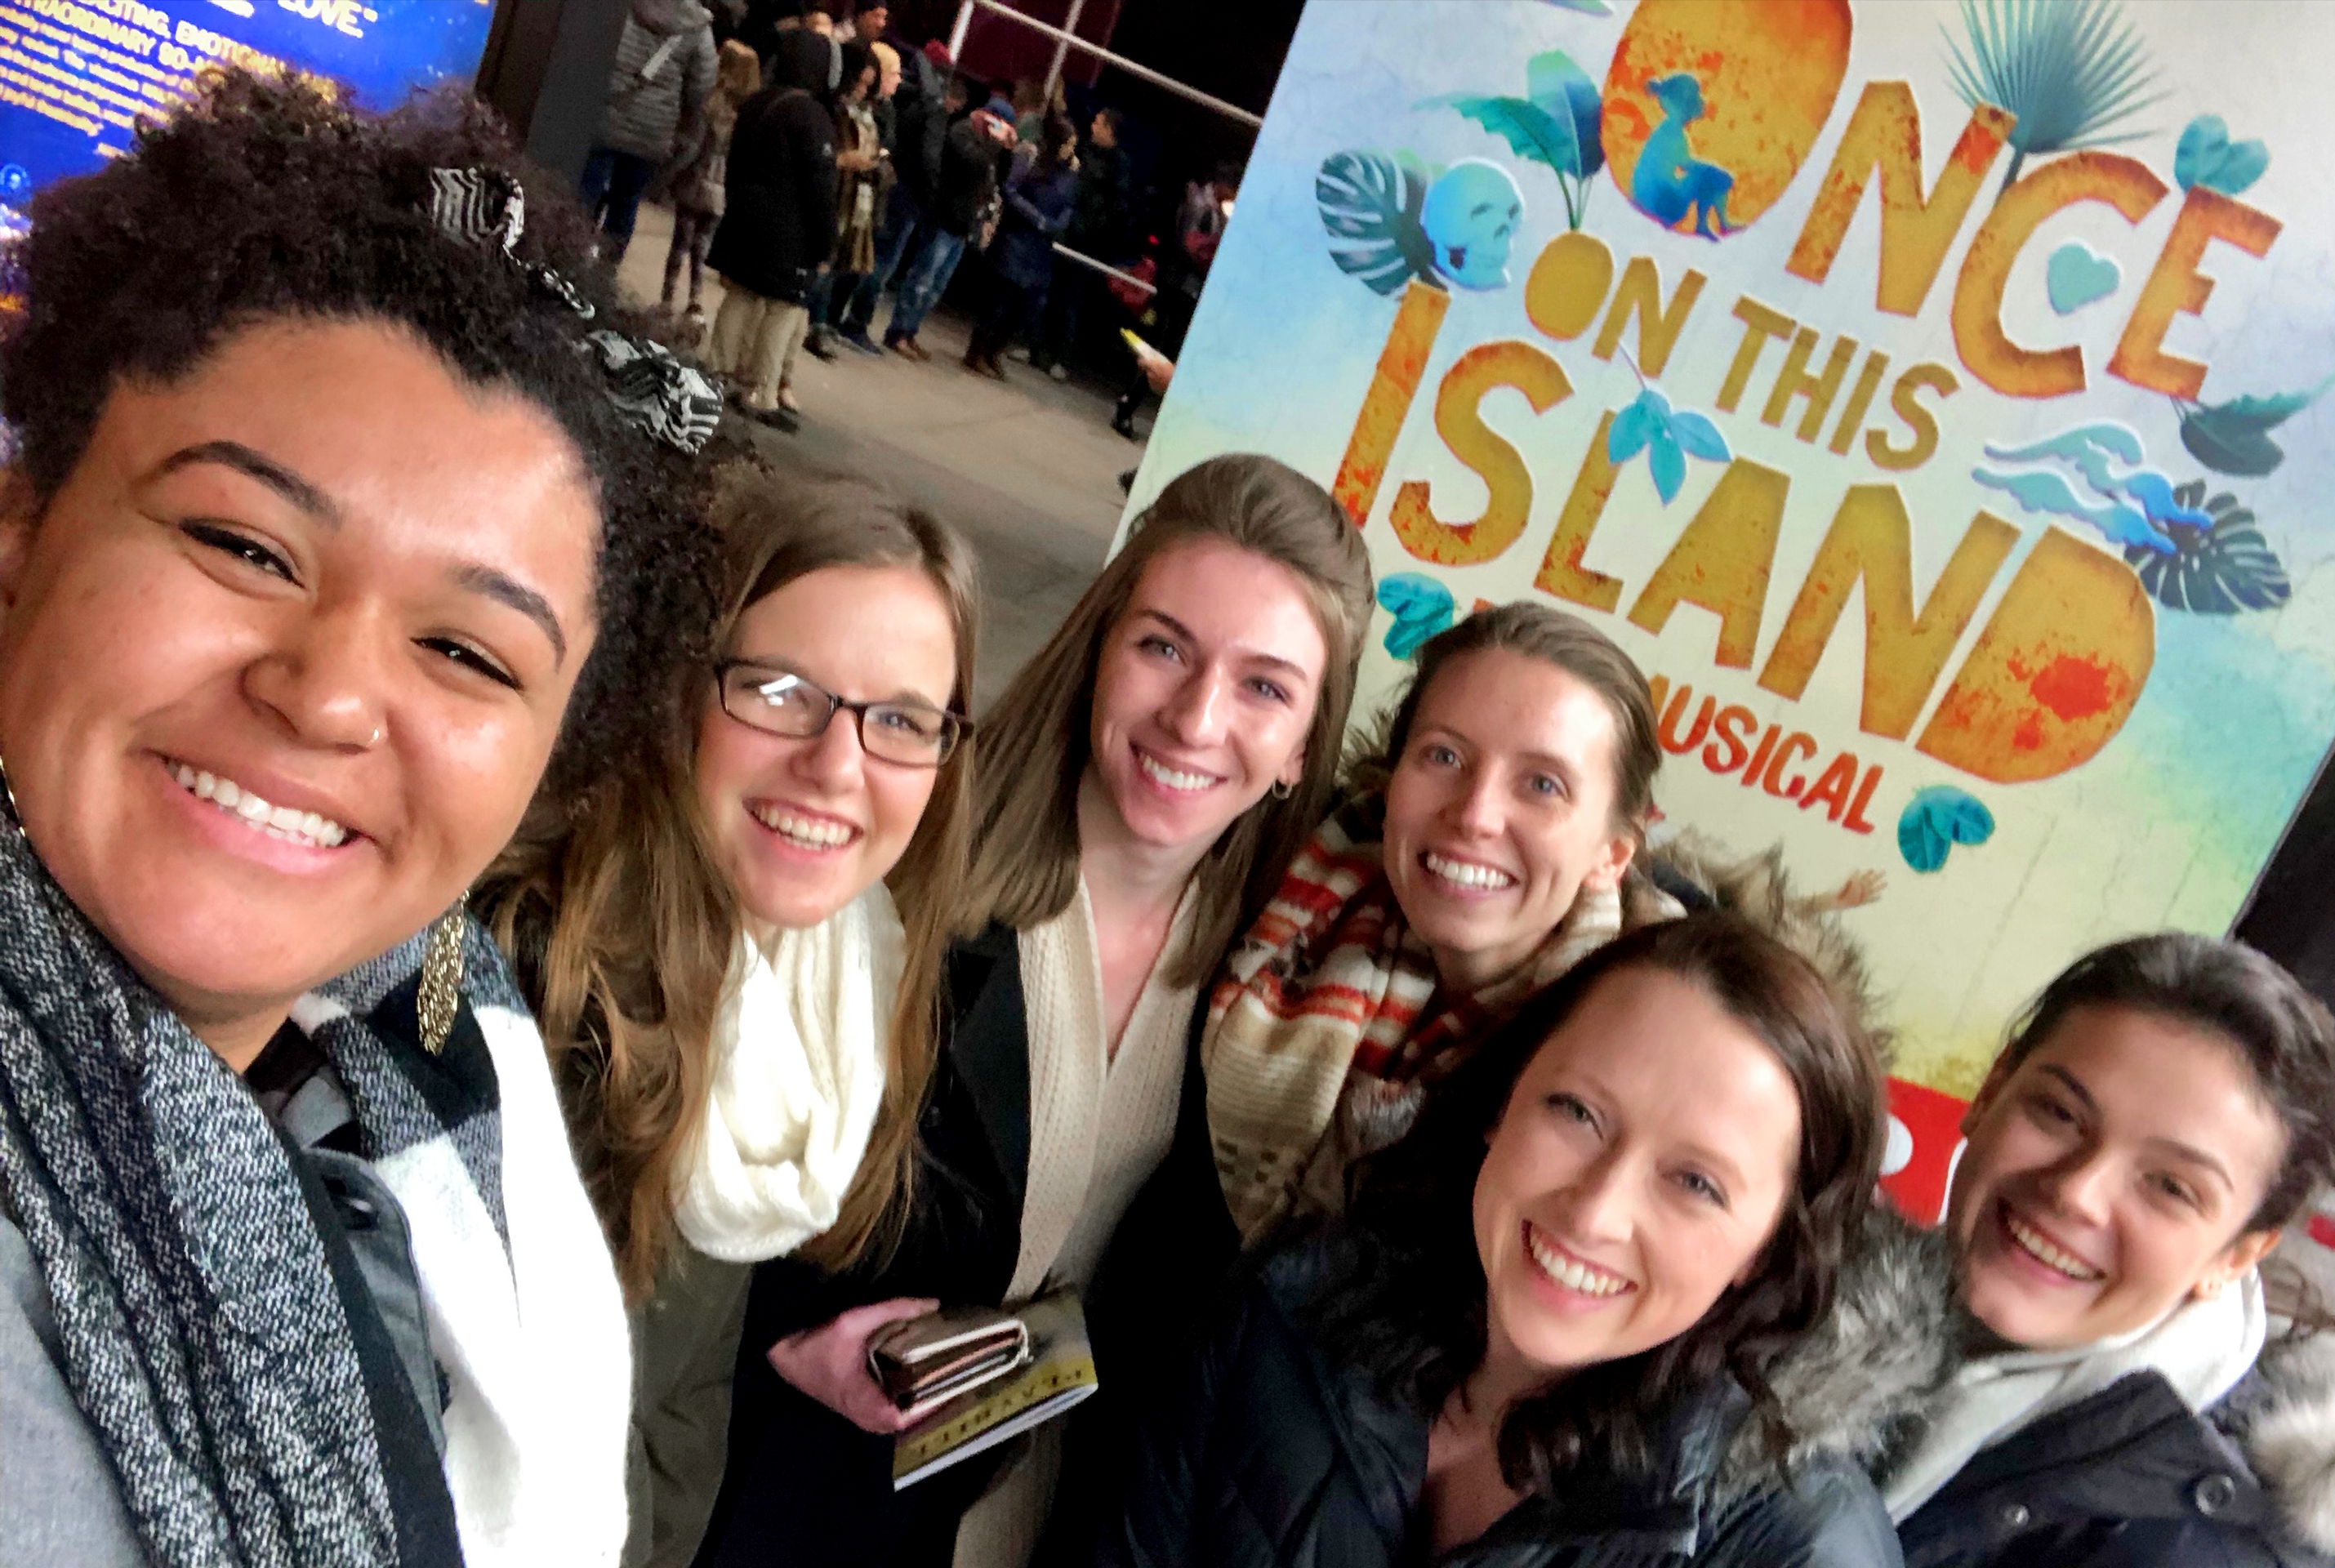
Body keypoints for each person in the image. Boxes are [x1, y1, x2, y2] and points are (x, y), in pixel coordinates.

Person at [0, 71, 726, 1566]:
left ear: (549, 765)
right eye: (241, 542)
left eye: (467, 651)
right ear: (23, 532)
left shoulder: (428, 1056)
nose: (327, 695)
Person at [699, 454, 1376, 1568]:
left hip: (1056, 1522)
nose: (1197, 719)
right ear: (1098, 650)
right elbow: (694, 1160)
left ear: (1306, 743)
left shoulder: (1280, 986)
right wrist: (775, 1344)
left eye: (1265, 686)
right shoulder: (900, 872)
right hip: (799, 1493)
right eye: (1164, 646)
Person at [480, 474, 978, 1568]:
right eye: (781, 689)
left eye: (899, 720)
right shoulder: (539, 986)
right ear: (678, 685)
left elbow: (659, 1380)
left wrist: (778, 1359)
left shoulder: (838, 979)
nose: (837, 764)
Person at [1105, 913, 1924, 1567]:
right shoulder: (1290, 1309)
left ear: (1765, 1254)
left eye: (1696, 1183)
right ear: (1504, 1100)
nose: (1596, 1211)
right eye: (1576, 1112)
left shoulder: (1801, 1547)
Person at [1205, 603, 1682, 1248]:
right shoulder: (1274, 895)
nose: (1477, 815)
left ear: (1612, 856)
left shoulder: (1668, 1053)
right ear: (1392, 778)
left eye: (1542, 784)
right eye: (1445, 757)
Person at [1873, 933, 2335, 1566]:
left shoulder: (2214, 1548)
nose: (2076, 1193)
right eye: (2059, 1113)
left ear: (2234, 1257)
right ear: (1991, 1092)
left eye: (2171, 1186)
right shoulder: (1802, 1294)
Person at [704, 24, 838, 429]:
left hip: (744, 219)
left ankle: (715, 375)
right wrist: (826, 244)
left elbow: (734, 162)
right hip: (788, 235)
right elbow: (820, 190)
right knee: (783, 310)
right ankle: (761, 393)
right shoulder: (813, 117)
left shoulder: (758, 101)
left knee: (740, 296)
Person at [836, 55, 961, 354]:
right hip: (908, 197)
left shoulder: (908, 103)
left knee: (863, 254)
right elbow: (930, 159)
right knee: (881, 263)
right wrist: (930, 196)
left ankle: (833, 315)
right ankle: (856, 322)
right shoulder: (934, 111)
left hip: (891, 187)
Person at [885, 91, 1016, 362]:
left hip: (963, 224)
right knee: (922, 277)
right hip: (944, 218)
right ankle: (898, 332)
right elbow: (973, 164)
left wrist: (1006, 153)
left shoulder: (992, 147)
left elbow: (996, 179)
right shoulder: (963, 132)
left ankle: (911, 332)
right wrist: (994, 145)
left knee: (937, 285)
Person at [583, 0, 719, 258]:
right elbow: (702, 85)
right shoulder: (698, 25)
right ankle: (606, 268)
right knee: (626, 200)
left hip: (605, 114)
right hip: (653, 130)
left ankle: (569, 256)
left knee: (586, 192)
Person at [1113, 160, 1238, 439]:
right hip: (1181, 286)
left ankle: (1129, 405)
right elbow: (1193, 248)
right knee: (1166, 351)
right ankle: (1128, 406)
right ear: (1221, 186)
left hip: (1181, 284)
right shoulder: (1205, 209)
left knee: (1165, 348)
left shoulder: (1206, 205)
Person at [659, 38, 764, 328]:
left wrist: (671, 174)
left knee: (681, 240)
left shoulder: (711, 103)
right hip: (723, 186)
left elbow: (693, 146)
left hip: (698, 178)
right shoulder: (752, 113)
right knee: (703, 243)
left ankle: (667, 298)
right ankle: (695, 297)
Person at [965, 113, 1077, 379]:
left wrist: (1056, 224)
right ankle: (976, 350)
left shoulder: (1069, 173)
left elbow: (1069, 205)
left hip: (1040, 249)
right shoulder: (1030, 158)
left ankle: (994, 350)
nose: (1071, 150)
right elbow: (1009, 190)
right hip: (1015, 239)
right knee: (998, 301)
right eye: (1068, 144)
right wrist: (1036, 218)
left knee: (1025, 308)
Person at [803, 41, 890, 362]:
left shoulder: (868, 112)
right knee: (823, 261)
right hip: (834, 191)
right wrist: (844, 160)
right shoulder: (833, 108)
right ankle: (814, 322)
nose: (862, 89)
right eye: (859, 82)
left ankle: (819, 321)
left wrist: (878, 166)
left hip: (858, 198)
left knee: (838, 264)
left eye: (869, 84)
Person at [1035, 106, 1133, 381]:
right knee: (1046, 290)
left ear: (1109, 130)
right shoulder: (1083, 151)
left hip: (1088, 242)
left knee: (1071, 300)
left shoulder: (1119, 164)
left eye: (1099, 122)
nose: (1092, 125)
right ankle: (1033, 346)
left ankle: (1060, 357)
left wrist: (1091, 226)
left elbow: (1118, 207)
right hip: (1065, 229)